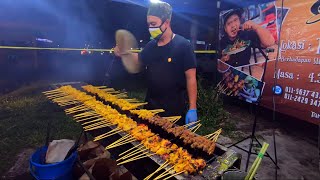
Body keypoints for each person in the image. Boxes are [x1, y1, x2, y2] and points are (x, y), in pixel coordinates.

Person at [114, 2, 197, 125]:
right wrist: (124, 52)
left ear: (167, 22)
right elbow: (139, 60)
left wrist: (192, 108)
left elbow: (191, 78)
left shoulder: (183, 45)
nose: (150, 28)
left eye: (154, 24)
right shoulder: (151, 46)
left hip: (174, 111)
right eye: (148, 24)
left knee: (170, 143)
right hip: (151, 107)